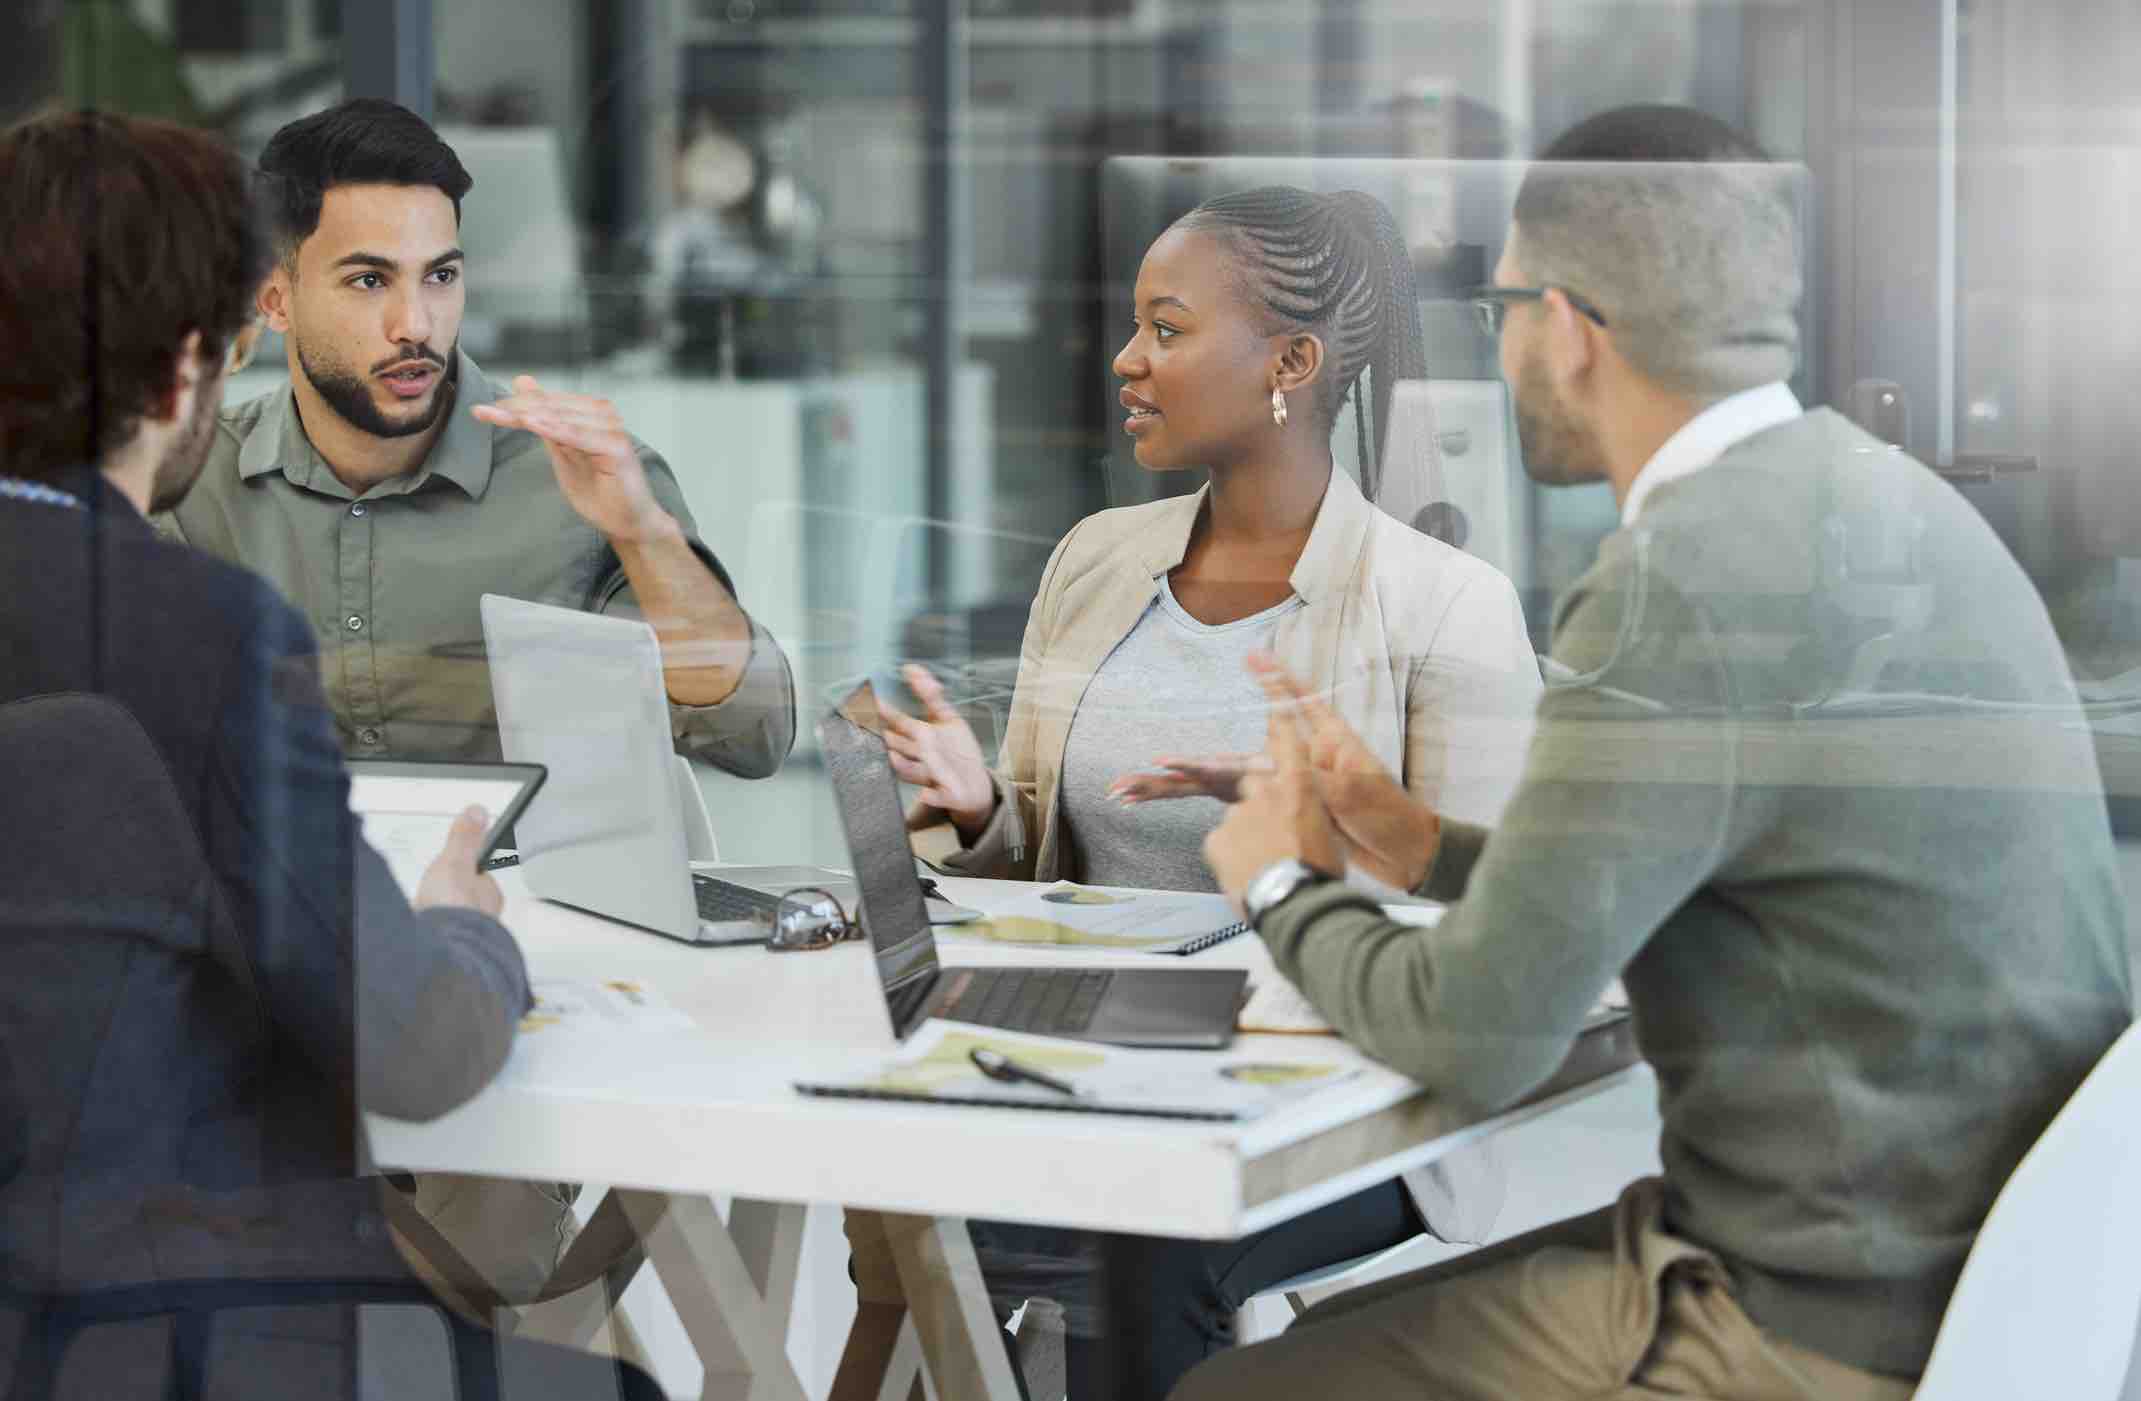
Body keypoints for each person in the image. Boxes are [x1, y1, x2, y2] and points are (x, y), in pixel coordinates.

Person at [1186, 104, 2135, 1401]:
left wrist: (1276, 883)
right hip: (1971, 1290)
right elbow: (1717, 848)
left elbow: (1474, 1034)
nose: (1504, 340)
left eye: (1505, 305)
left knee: (1238, 1389)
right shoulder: (1887, 499)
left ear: (1567, 328)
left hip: (1810, 1329)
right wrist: (1418, 843)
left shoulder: (1674, 585)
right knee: (1308, 1347)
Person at [0, 108, 660, 1401]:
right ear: (194, 365)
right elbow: (415, 1046)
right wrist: (467, 924)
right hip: (185, 1322)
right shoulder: (192, 635)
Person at [875, 185, 1542, 1399]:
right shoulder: (1095, 560)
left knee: (1149, 1243)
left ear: (1289, 361)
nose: (1126, 361)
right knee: (909, 1208)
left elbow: (1492, 928)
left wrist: (1317, 840)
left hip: (1346, 1097)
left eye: (1167, 330)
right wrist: (978, 812)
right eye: (1134, 327)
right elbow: (1052, 869)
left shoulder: (1446, 604)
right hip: (1088, 1066)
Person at [160, 96, 797, 1305]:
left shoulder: (567, 479)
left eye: (440, 276)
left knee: (448, 1297)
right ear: (274, 298)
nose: (417, 324)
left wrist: (643, 532)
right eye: (366, 281)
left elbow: (755, 730)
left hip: (502, 1011)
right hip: (249, 1008)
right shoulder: (193, 487)